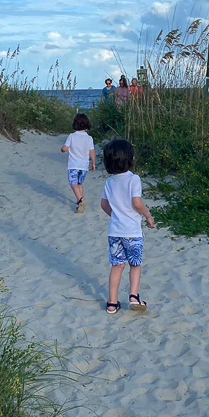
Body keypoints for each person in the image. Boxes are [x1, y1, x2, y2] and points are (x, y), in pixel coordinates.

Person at [100, 139, 154, 314]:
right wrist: (147, 214)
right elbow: (136, 203)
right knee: (135, 264)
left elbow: (103, 204)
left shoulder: (110, 181)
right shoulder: (133, 179)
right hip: (132, 232)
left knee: (117, 266)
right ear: (130, 159)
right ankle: (133, 296)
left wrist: (116, 215)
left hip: (115, 231)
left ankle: (112, 303)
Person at [61, 113, 95, 213]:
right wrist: (93, 162)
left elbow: (65, 148)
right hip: (84, 165)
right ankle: (79, 203)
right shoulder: (89, 138)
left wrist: (63, 149)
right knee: (80, 183)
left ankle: (80, 199)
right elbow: (91, 151)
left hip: (73, 165)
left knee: (73, 183)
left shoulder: (72, 136)